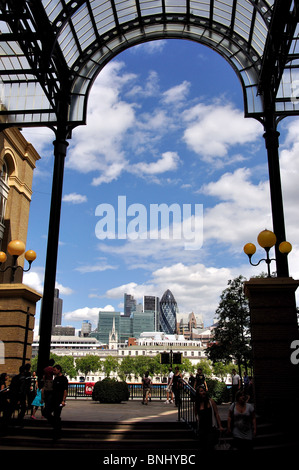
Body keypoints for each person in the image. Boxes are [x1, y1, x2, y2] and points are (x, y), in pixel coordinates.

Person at [194, 386, 224, 452]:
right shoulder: (197, 404)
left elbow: (216, 413)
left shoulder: (211, 401)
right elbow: (196, 414)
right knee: (203, 446)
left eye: (204, 391)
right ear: (198, 393)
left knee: (210, 445)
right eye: (201, 391)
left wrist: (220, 425)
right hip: (202, 428)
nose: (203, 392)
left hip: (211, 427)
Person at [44, 364, 68, 439]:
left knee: (56, 415)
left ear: (59, 370)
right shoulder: (55, 379)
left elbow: (65, 390)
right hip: (52, 399)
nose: (53, 372)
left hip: (59, 400)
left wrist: (63, 400)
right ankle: (57, 425)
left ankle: (56, 432)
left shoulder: (64, 379)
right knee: (46, 412)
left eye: (54, 370)